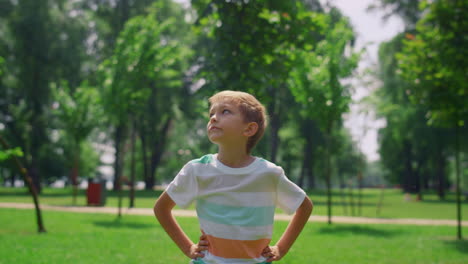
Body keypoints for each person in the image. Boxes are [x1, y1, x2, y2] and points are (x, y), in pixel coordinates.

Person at [154, 90, 313, 263]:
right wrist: (188, 247)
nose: (213, 118)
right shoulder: (197, 169)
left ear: (249, 128)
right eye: (211, 114)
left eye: (225, 111)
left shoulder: (269, 173)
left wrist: (281, 249)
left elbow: (304, 206)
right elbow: (161, 208)